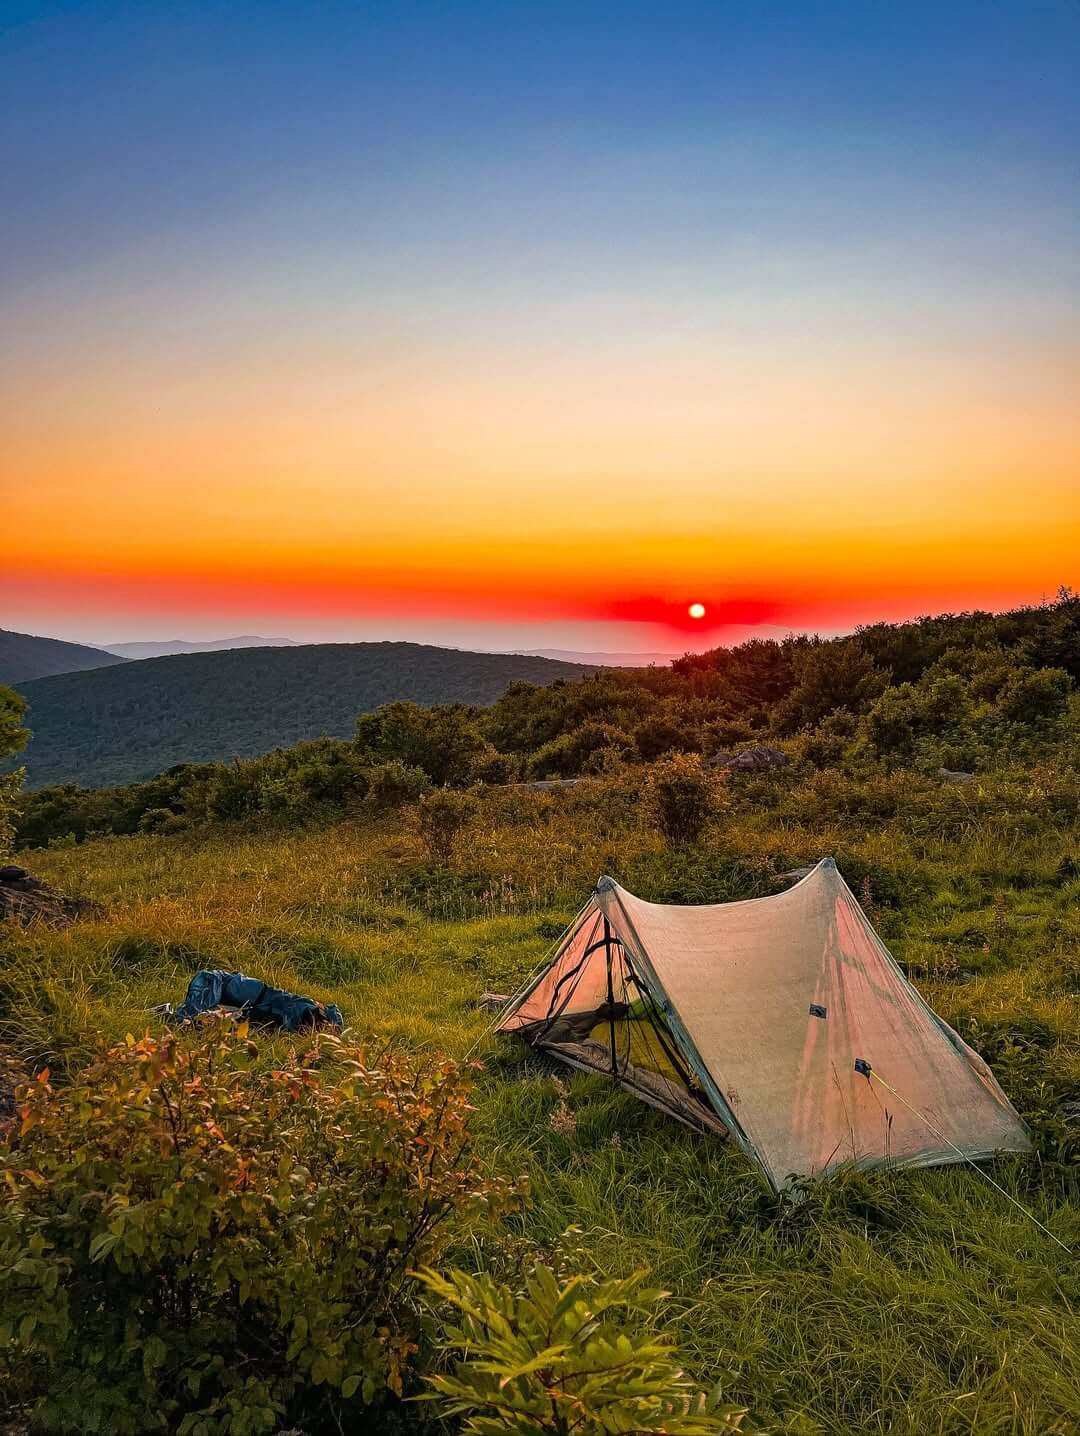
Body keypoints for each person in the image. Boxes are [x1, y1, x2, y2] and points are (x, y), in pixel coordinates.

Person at [161, 969, 343, 1032]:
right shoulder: (298, 1008)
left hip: (237, 1001)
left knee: (196, 1022)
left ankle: (168, 1015)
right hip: (217, 984)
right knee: (190, 1021)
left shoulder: (297, 1007)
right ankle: (171, 1016)